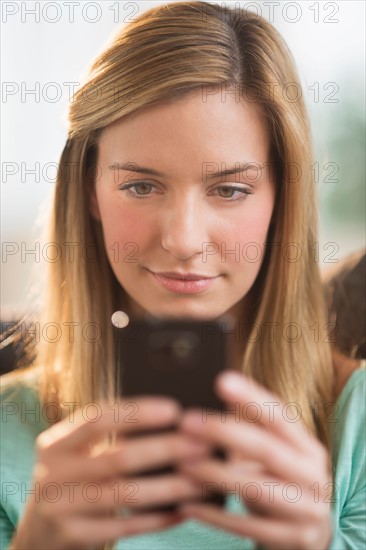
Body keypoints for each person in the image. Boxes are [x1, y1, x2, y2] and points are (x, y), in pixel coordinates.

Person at [1, 2, 365, 549]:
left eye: (230, 189)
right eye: (141, 186)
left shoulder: (355, 427)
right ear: (89, 192)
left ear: (282, 202)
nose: (182, 239)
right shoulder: (7, 430)